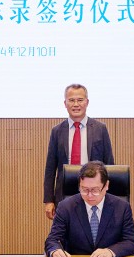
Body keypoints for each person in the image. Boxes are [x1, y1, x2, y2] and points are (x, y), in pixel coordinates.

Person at [43, 84, 114, 219]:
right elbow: (50, 169)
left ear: (87, 102)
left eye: (80, 100)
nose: (76, 104)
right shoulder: (57, 131)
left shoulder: (100, 129)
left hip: (93, 191)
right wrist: (49, 200)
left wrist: (110, 196)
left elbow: (109, 164)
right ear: (65, 103)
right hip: (64, 194)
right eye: (71, 100)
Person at [45, 161, 134, 257]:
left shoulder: (122, 207)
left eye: (95, 190)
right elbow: (52, 240)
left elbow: (131, 242)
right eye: (84, 189)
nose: (89, 195)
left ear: (106, 185)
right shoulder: (65, 207)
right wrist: (55, 251)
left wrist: (110, 251)